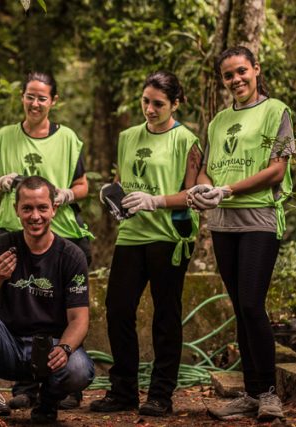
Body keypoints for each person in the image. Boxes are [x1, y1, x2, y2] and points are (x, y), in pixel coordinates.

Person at [189, 46, 294, 421]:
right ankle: (251, 394)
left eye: (241, 71)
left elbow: (277, 170)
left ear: (256, 69)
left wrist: (229, 189)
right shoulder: (218, 121)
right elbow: (207, 167)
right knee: (240, 308)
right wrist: (204, 188)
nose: (236, 80)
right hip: (223, 223)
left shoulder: (276, 111)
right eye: (228, 75)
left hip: (259, 220)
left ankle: (268, 394)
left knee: (252, 304)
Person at [90, 71, 202, 417]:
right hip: (132, 235)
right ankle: (123, 391)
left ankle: (161, 394)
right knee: (118, 308)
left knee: (165, 315)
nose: (150, 109)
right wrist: (110, 194)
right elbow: (121, 181)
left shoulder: (187, 140)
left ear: (175, 104)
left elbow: (194, 194)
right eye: (145, 101)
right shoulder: (127, 137)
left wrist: (156, 201)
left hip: (169, 236)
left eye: (158, 104)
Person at [0, 176, 95, 424]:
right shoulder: (0, 246)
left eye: (42, 208)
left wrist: (64, 349)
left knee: (79, 369)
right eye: (27, 208)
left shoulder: (72, 256)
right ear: (16, 210)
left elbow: (79, 320)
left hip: (50, 349)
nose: (35, 216)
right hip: (8, 347)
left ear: (54, 208)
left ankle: (47, 403)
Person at [0, 71, 93, 409]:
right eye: (30, 96)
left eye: (42, 97)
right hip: (12, 232)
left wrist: (67, 194)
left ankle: (65, 385)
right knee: (19, 305)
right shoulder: (3, 137)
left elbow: (83, 185)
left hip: (61, 234)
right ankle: (24, 386)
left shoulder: (67, 138)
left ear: (54, 101)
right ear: (21, 97)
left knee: (62, 306)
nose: (35, 103)